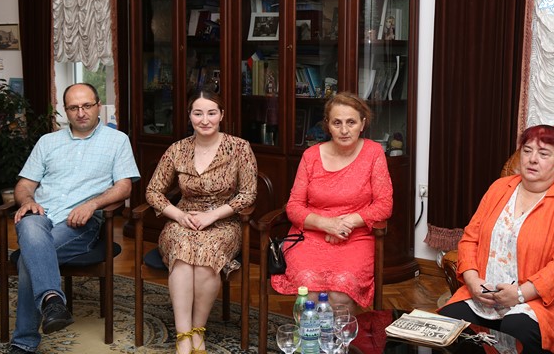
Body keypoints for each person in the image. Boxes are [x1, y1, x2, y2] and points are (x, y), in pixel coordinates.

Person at [10, 83, 140, 354]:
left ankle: (23, 342)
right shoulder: (48, 142)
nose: (81, 113)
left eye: (87, 106)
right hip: (41, 214)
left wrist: (92, 204)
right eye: (73, 107)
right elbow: (24, 184)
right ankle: (53, 300)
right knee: (30, 224)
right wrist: (28, 200)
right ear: (65, 110)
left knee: (27, 259)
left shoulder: (117, 140)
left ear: (98, 106)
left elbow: (124, 187)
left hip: (78, 223)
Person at [438, 125, 554, 353]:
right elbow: (470, 239)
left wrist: (520, 294)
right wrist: (472, 281)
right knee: (448, 321)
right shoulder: (499, 188)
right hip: (486, 297)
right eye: (527, 151)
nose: (532, 159)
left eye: (544, 154)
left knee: (516, 326)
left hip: (539, 302)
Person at [145, 89, 257, 354]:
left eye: (211, 113)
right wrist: (179, 215)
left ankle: (198, 330)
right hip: (183, 220)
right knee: (183, 252)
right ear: (189, 116)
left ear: (221, 115)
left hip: (223, 222)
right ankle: (184, 337)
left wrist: (213, 215)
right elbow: (152, 191)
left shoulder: (240, 148)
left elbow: (248, 193)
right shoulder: (177, 149)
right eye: (198, 113)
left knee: (207, 255)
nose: (205, 120)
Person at [271, 92, 393, 314]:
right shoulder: (311, 156)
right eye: (337, 123)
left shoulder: (374, 153)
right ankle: (309, 337)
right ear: (328, 125)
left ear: (362, 124)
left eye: (351, 122)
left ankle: (340, 337)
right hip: (311, 236)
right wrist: (326, 224)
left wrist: (345, 224)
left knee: (340, 293)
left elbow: (384, 205)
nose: (344, 130)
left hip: (356, 236)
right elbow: (294, 206)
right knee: (309, 290)